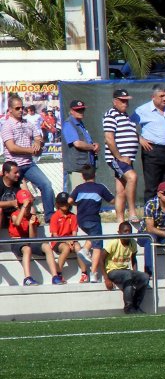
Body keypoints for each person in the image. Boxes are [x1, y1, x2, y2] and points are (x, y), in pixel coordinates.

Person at [2, 94, 55, 224]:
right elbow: (12, 147)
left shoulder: (28, 123)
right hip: (14, 166)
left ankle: (49, 216)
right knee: (17, 195)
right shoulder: (7, 126)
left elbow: (38, 137)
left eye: (22, 108)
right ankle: (10, 220)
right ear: (10, 110)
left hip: (29, 164)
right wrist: (31, 150)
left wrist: (38, 142)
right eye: (17, 108)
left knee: (46, 185)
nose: (21, 110)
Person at [134, 85, 165, 204]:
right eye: (161, 96)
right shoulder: (142, 110)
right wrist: (140, 139)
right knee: (152, 186)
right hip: (152, 151)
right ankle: (150, 212)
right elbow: (127, 126)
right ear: (153, 97)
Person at [69, 164, 114, 283]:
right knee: (97, 247)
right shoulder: (100, 188)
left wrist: (78, 204)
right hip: (93, 219)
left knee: (92, 236)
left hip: (81, 220)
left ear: (83, 176)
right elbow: (112, 200)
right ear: (95, 174)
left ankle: (85, 249)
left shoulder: (79, 188)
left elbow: (69, 200)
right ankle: (94, 273)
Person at [103, 88, 141, 224]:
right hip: (118, 159)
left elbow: (131, 133)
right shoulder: (111, 115)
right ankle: (132, 212)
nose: (125, 103)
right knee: (132, 177)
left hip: (128, 159)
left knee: (121, 190)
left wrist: (140, 139)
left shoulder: (125, 116)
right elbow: (109, 138)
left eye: (127, 101)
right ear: (115, 101)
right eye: (122, 101)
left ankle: (120, 221)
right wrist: (119, 156)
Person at [8, 188, 60, 285]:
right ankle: (27, 278)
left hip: (29, 241)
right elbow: (17, 223)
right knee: (27, 249)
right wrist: (24, 207)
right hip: (17, 242)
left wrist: (31, 225)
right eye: (25, 206)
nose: (28, 209)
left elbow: (33, 238)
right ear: (19, 206)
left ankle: (55, 276)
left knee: (46, 246)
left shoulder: (32, 216)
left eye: (29, 206)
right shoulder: (15, 215)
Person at [101, 221, 149, 313]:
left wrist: (135, 272)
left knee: (145, 277)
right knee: (128, 275)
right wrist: (106, 278)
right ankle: (128, 307)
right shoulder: (114, 242)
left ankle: (136, 306)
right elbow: (101, 259)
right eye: (125, 231)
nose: (128, 233)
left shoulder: (133, 243)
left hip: (126, 271)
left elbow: (133, 259)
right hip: (113, 271)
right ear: (119, 232)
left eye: (129, 231)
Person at [49, 192, 90, 282]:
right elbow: (55, 235)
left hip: (70, 240)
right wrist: (67, 241)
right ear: (58, 204)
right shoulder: (55, 216)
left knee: (78, 247)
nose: (64, 205)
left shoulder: (73, 216)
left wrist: (71, 240)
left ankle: (84, 273)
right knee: (66, 248)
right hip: (57, 241)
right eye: (62, 202)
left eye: (66, 202)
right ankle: (59, 273)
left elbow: (74, 232)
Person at [61, 99, 99, 192]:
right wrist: (92, 147)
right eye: (78, 110)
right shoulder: (69, 123)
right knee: (79, 195)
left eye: (82, 109)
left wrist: (94, 144)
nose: (81, 112)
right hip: (77, 167)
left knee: (88, 194)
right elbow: (77, 143)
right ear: (71, 111)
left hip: (86, 166)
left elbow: (85, 142)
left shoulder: (80, 124)